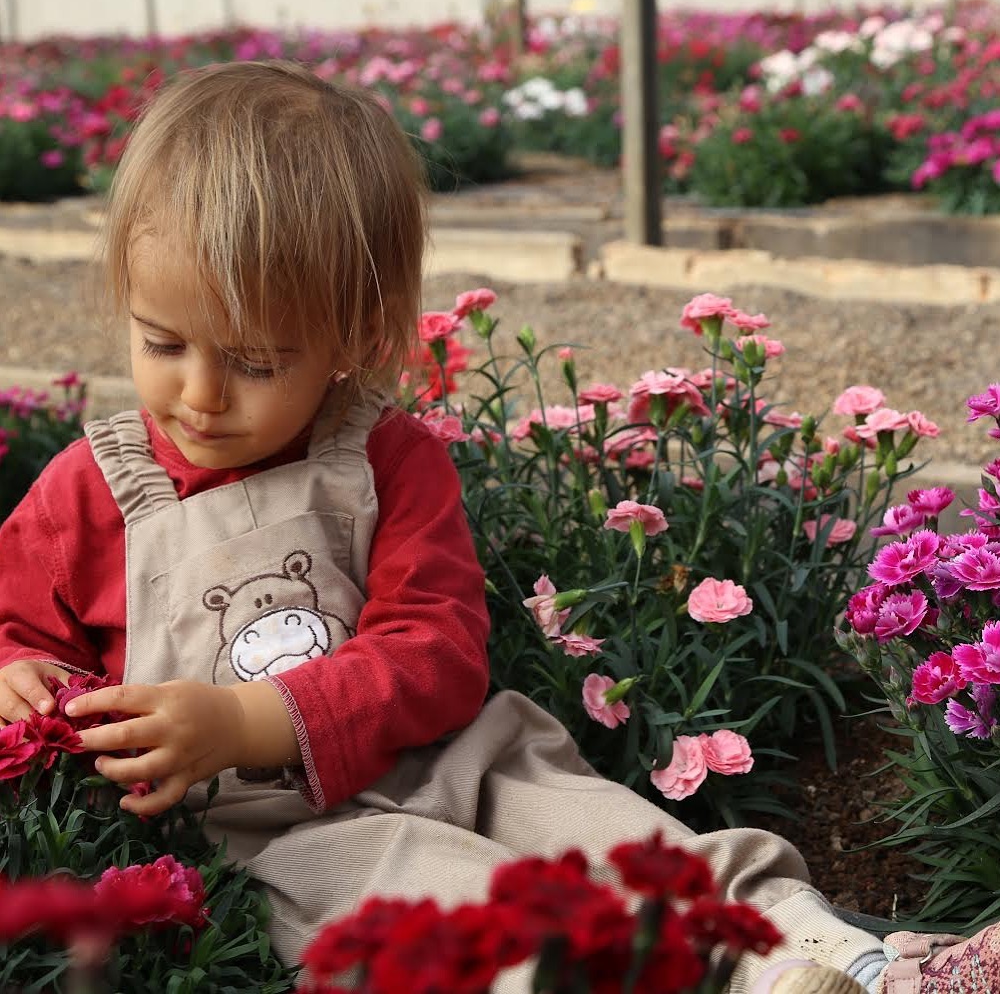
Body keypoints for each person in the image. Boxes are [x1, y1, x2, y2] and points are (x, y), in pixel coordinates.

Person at [0, 60, 995, 994]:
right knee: (423, 885)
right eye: (163, 343)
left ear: (356, 335)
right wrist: (22, 674)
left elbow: (436, 652)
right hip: (272, 822)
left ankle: (809, 951)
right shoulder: (92, 488)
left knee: (593, 822)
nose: (201, 393)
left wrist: (250, 718)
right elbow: (20, 630)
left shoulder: (384, 457)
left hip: (452, 752)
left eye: (257, 361)